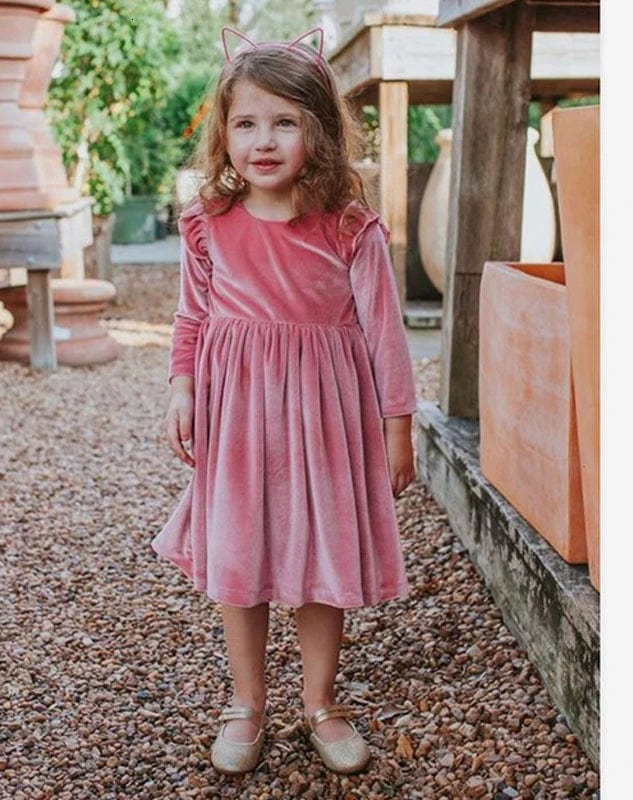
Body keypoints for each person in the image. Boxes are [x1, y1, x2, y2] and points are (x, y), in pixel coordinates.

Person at [152, 25, 417, 776]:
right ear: (224, 134)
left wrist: (399, 426)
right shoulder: (208, 223)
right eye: (245, 122)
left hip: (326, 421)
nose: (262, 140)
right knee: (241, 552)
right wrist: (182, 389)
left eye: (285, 121)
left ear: (319, 132)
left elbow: (386, 334)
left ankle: (321, 702)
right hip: (237, 420)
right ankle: (248, 702)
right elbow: (191, 317)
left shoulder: (348, 226)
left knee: (318, 554)